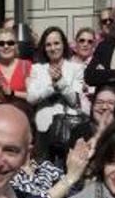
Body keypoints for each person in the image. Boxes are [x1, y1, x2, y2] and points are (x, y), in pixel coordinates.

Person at [28, 26, 87, 154]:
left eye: (56, 43)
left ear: (64, 45)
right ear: (44, 48)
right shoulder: (37, 69)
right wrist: (52, 87)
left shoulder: (76, 68)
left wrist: (61, 81)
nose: (53, 48)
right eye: (48, 45)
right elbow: (31, 98)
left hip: (68, 128)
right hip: (43, 129)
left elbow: (75, 101)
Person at [0, 27, 31, 101]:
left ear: (15, 45)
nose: (6, 46)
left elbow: (32, 96)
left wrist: (11, 92)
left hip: (22, 111)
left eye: (10, 43)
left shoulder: (26, 65)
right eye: (1, 43)